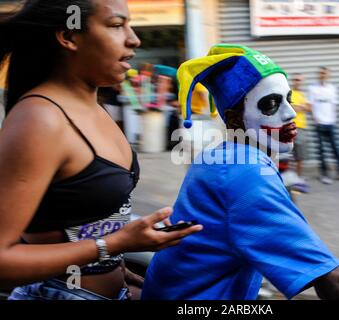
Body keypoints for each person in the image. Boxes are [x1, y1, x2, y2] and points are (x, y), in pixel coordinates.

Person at [142, 44, 339, 300]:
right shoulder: (245, 173)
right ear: (233, 120)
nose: (291, 113)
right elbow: (335, 280)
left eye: (289, 99)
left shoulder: (220, 155)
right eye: (271, 104)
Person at [0, 0, 202, 300]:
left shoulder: (95, 106)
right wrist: (116, 244)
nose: (134, 38)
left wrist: (120, 268)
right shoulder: (40, 119)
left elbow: (83, 222)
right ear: (69, 36)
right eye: (116, 25)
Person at [309, 67, 339, 185]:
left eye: (325, 73)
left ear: (328, 75)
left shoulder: (333, 89)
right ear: (318, 75)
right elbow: (310, 105)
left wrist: (335, 120)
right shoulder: (312, 88)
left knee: (336, 149)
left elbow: (335, 105)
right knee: (322, 151)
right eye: (320, 73)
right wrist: (316, 119)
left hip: (331, 123)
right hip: (319, 123)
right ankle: (324, 175)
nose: (323, 75)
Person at [289, 73, 311, 193]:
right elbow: (291, 108)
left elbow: (309, 108)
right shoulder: (289, 93)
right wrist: (301, 106)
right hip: (291, 127)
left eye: (299, 80)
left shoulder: (303, 94)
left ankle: (298, 178)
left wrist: (299, 107)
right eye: (296, 80)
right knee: (290, 156)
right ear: (293, 81)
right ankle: (290, 179)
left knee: (300, 157)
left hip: (302, 127)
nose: (297, 82)